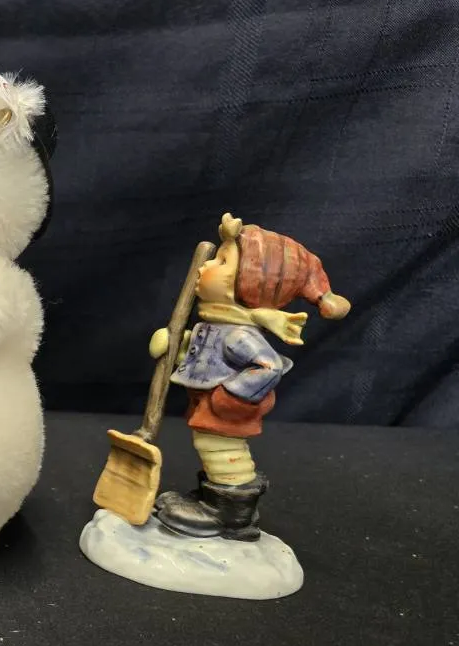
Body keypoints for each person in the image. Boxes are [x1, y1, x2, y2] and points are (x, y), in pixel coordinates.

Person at [149, 214, 350, 540]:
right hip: (208, 401)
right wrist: (176, 346)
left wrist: (230, 397)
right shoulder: (218, 325)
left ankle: (230, 514)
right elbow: (204, 354)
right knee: (208, 445)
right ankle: (212, 498)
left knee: (219, 447)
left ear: (248, 285)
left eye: (221, 262)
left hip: (226, 406)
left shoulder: (238, 335)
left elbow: (269, 366)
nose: (205, 266)